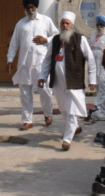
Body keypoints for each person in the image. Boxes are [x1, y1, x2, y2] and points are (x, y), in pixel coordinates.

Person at [39, 11, 96, 151]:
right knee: (63, 108)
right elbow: (47, 59)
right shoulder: (55, 40)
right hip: (58, 82)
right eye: (62, 23)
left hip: (74, 81)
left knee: (71, 110)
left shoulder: (80, 39)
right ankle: (75, 127)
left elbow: (91, 60)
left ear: (72, 25)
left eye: (67, 23)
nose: (64, 26)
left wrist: (92, 79)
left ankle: (67, 139)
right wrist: (42, 76)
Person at [6, 0, 59, 131]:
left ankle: (47, 114)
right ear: (25, 9)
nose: (30, 10)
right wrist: (10, 59)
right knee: (24, 93)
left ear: (36, 7)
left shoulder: (46, 21)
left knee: (45, 90)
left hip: (41, 64)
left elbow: (57, 36)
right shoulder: (20, 24)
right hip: (24, 64)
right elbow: (14, 44)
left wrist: (45, 40)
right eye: (28, 7)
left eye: (32, 7)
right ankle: (27, 120)